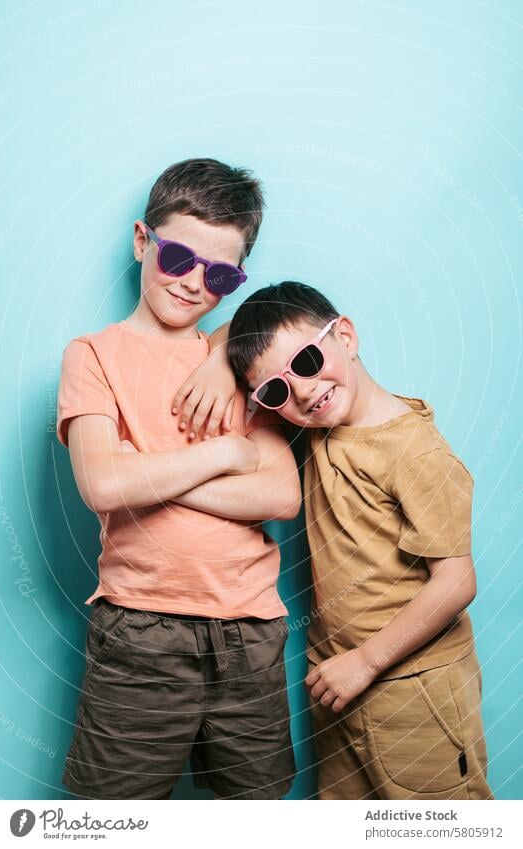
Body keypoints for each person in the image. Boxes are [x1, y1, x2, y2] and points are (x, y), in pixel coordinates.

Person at [56, 160, 301, 800]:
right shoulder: (93, 355)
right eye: (178, 259)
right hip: (140, 630)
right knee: (115, 818)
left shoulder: (242, 359)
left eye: (219, 274)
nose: (194, 283)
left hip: (250, 632)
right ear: (143, 241)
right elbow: (103, 488)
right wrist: (224, 454)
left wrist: (146, 470)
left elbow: (280, 494)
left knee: (254, 815)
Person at [217, 279, 492, 800]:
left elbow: (457, 581)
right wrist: (218, 363)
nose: (301, 390)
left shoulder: (416, 453)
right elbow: (241, 337)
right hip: (339, 681)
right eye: (275, 390)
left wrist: (365, 663)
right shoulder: (319, 423)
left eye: (306, 362)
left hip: (414, 687)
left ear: (345, 335)